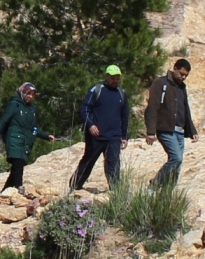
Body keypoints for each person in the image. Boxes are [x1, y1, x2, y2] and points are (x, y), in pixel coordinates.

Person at [66, 65, 132, 193]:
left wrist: (124, 136)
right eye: (112, 78)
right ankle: (74, 187)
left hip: (114, 136)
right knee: (88, 161)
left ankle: (116, 191)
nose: (115, 81)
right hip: (96, 136)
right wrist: (90, 125)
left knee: (113, 164)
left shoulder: (121, 93)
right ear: (106, 77)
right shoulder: (97, 90)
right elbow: (85, 109)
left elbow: (124, 116)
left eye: (117, 78)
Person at [144, 58, 197, 187]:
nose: (183, 77)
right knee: (176, 158)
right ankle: (155, 183)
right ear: (175, 68)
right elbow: (152, 107)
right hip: (165, 129)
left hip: (180, 130)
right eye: (182, 74)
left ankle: (168, 193)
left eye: (186, 75)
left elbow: (186, 109)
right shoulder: (160, 83)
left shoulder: (182, 87)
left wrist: (192, 131)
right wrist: (151, 132)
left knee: (177, 165)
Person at [0, 81, 49, 192]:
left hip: (26, 141)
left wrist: (46, 136)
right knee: (18, 162)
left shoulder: (32, 109)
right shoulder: (14, 104)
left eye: (32, 95)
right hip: (14, 138)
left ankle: (5, 191)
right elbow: (3, 122)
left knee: (17, 166)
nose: (30, 97)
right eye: (28, 94)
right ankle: (19, 186)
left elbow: (33, 128)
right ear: (22, 92)